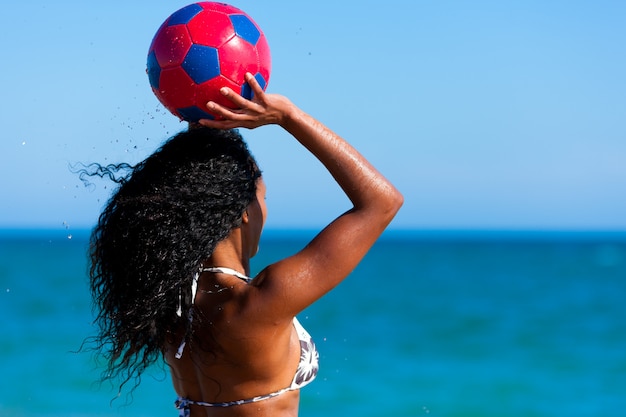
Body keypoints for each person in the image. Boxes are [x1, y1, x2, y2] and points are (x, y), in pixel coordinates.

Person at [88, 72, 403, 417]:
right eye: (263, 197)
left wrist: (204, 114)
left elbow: (191, 185)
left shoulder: (168, 304)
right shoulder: (260, 303)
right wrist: (288, 117)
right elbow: (381, 203)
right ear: (243, 212)